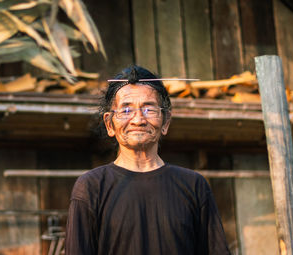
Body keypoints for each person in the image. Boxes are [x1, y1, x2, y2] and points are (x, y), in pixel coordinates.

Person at [65, 65, 231, 255]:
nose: (138, 120)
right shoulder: (91, 187)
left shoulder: (194, 186)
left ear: (166, 121)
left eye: (148, 109)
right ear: (109, 124)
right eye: (126, 110)